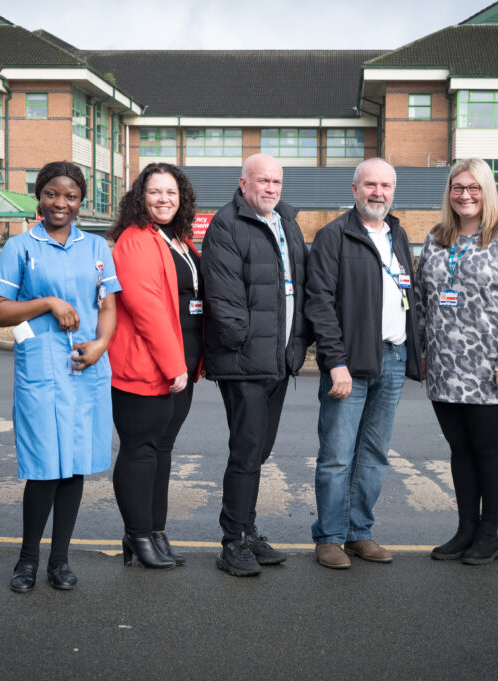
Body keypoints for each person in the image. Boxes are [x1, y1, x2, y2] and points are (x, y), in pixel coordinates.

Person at [0, 161, 119, 593]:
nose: (60, 203)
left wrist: (100, 345)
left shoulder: (98, 248)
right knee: (44, 467)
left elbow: (109, 307)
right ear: (39, 196)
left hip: (86, 369)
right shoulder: (20, 247)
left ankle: (59, 560)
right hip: (41, 369)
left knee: (74, 466)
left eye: (70, 196)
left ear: (81, 201)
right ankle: (27, 560)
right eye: (52, 194)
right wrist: (47, 302)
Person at [305, 158, 423, 569]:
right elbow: (319, 303)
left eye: (386, 185)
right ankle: (329, 537)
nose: (378, 192)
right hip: (349, 364)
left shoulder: (398, 235)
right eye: (370, 184)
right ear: (354, 189)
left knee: (374, 453)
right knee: (337, 454)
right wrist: (334, 361)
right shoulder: (333, 236)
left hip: (392, 357)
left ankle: (359, 532)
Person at [416, 158, 498, 565]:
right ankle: (465, 528)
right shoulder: (435, 238)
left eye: (473, 188)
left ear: (486, 191)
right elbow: (421, 300)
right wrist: (424, 352)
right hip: (444, 365)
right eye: (457, 188)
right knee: (459, 448)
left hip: (488, 366)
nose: (465, 195)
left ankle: (489, 534)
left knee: (487, 447)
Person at [201, 153, 309, 577]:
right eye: (262, 180)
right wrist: (247, 345)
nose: (271, 188)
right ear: (243, 183)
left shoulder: (287, 223)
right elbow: (225, 301)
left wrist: (296, 346)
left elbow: (298, 289)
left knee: (259, 451)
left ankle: (247, 531)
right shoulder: (227, 224)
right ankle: (232, 542)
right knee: (246, 452)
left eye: (277, 181)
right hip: (245, 363)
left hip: (278, 362)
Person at [107, 163, 202, 570]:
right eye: (154, 191)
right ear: (140, 197)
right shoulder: (135, 241)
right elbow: (146, 308)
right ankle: (137, 534)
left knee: (161, 450)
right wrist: (173, 364)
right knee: (140, 451)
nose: (163, 199)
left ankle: (155, 530)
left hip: (181, 366)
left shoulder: (177, 239)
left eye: (171, 192)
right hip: (147, 366)